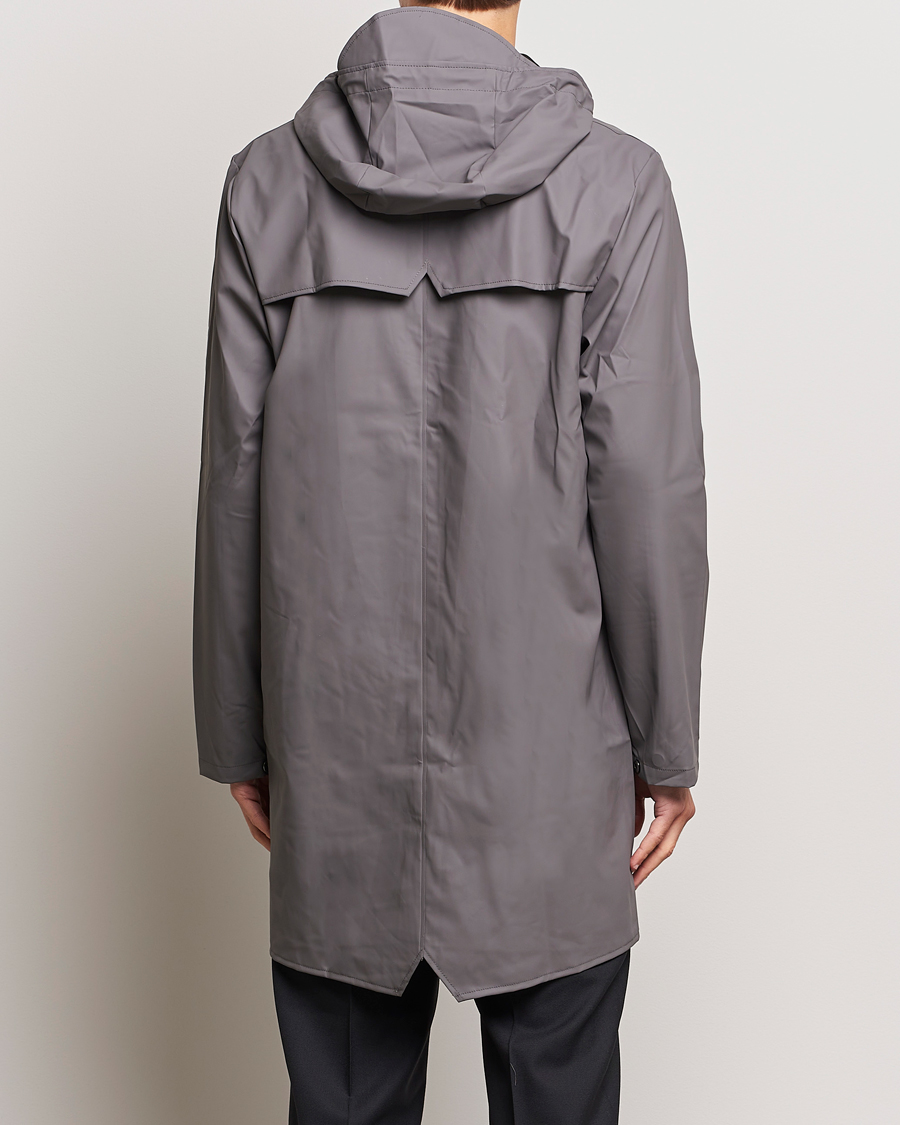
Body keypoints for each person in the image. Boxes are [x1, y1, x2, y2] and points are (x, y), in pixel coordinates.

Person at [192, 1, 708, 1121]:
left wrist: (239, 734)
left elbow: (236, 473)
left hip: (336, 760)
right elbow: (646, 487)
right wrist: (666, 745)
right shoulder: (616, 183)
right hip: (549, 770)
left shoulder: (267, 183)